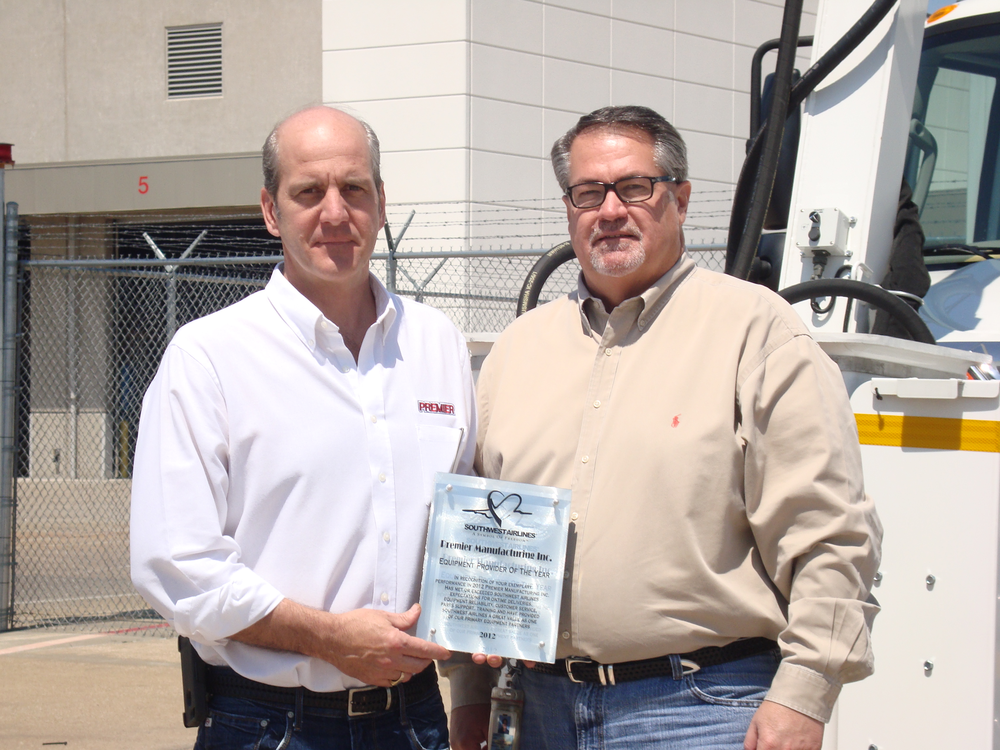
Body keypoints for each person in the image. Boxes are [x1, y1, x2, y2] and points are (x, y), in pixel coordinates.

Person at [446, 105, 882, 750]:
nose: (610, 210)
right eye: (588, 192)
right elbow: (482, 531)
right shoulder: (517, 349)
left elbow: (827, 531)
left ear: (679, 198)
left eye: (634, 187)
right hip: (539, 710)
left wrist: (805, 694)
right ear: (569, 209)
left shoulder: (756, 332)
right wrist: (468, 693)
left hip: (700, 709)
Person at [130, 106, 476, 750]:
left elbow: (466, 528)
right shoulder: (209, 356)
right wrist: (329, 638)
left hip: (416, 719)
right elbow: (177, 566)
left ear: (381, 202)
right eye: (309, 191)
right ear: (271, 210)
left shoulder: (438, 344)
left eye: (355, 188)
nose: (335, 213)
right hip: (270, 725)